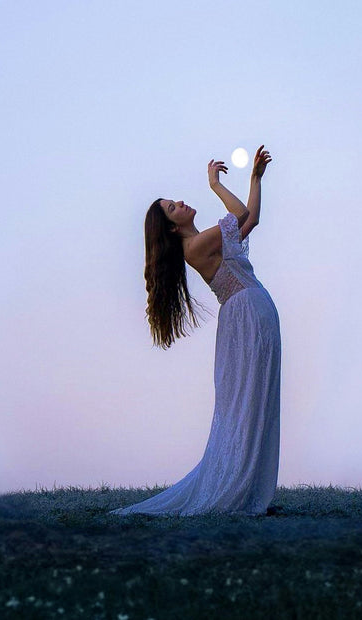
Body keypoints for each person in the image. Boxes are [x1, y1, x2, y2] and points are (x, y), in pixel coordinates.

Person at [109, 145, 280, 516]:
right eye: (174, 207)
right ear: (172, 227)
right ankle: (237, 487)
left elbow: (249, 222)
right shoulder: (194, 245)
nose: (181, 203)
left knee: (257, 399)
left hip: (253, 311)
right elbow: (240, 214)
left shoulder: (206, 238)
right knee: (244, 402)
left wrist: (254, 179)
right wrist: (215, 183)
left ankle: (249, 486)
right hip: (246, 315)